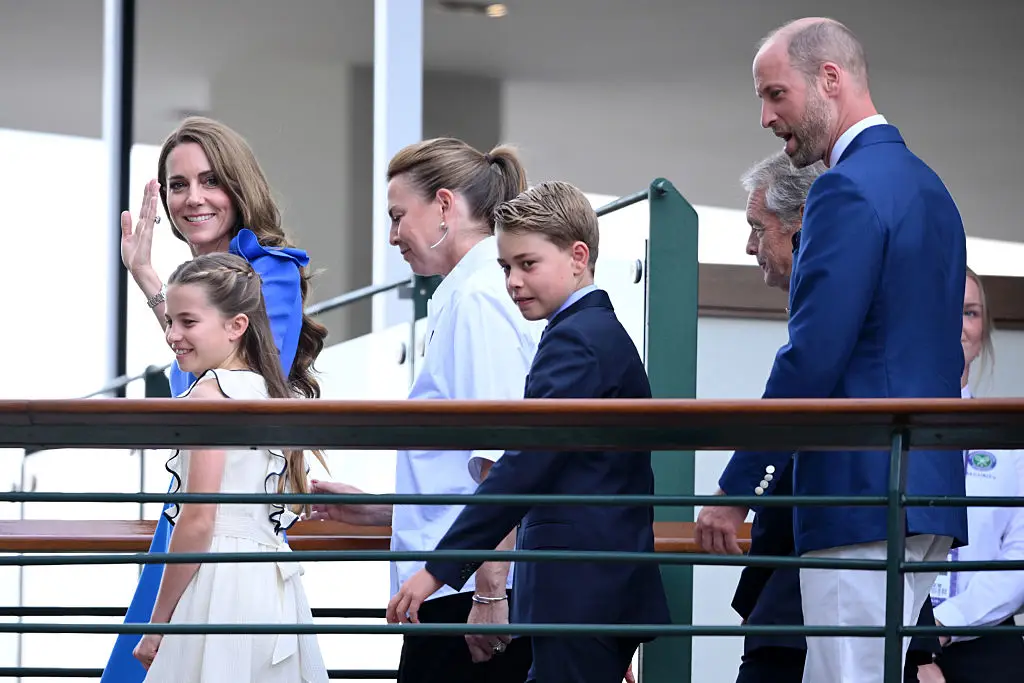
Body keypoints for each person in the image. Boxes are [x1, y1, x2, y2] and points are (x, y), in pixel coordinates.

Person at [695, 17, 969, 683]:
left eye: (775, 94)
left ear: (830, 79)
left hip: (858, 493)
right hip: (926, 492)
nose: (766, 117)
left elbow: (812, 355)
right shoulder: (931, 189)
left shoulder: (844, 188)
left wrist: (737, 488)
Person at [387, 181, 671, 683]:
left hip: (580, 588)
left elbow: (521, 464)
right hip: (591, 585)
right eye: (505, 267)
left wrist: (439, 568)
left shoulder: (576, 341)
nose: (513, 282)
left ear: (578, 257)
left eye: (528, 264)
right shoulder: (589, 332)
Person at [104, 116, 327, 682]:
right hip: (195, 508)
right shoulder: (198, 289)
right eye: (178, 185)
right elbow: (204, 371)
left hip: (220, 521)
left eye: (210, 181)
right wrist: (147, 274)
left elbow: (238, 383)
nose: (193, 198)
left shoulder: (272, 270)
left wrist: (155, 285)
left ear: (237, 185)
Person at [309, 138, 539, 683]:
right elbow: (466, 473)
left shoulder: (478, 298)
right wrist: (384, 512)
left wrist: (490, 593)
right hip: (460, 586)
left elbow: (502, 459)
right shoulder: (471, 295)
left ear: (444, 205)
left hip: (468, 595)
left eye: (397, 216)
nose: (393, 236)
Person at [729, 151, 940, 683]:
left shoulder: (844, 263)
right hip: (883, 515)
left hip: (855, 511)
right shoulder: (921, 207)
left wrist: (734, 493)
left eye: (758, 228)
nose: (750, 246)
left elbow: (806, 372)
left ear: (804, 220)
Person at [131, 252, 328, 682]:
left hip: (218, 584)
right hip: (270, 588)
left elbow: (199, 520)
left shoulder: (208, 396)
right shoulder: (269, 392)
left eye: (187, 322)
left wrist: (157, 623)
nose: (172, 335)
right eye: (170, 322)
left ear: (236, 326)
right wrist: (145, 275)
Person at [918, 268, 1024, 683]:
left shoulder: (1010, 440)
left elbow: (1019, 556)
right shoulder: (888, 429)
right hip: (895, 633)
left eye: (970, 312)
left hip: (986, 635)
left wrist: (944, 624)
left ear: (983, 333)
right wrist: (916, 643)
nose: (959, 325)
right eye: (945, 309)